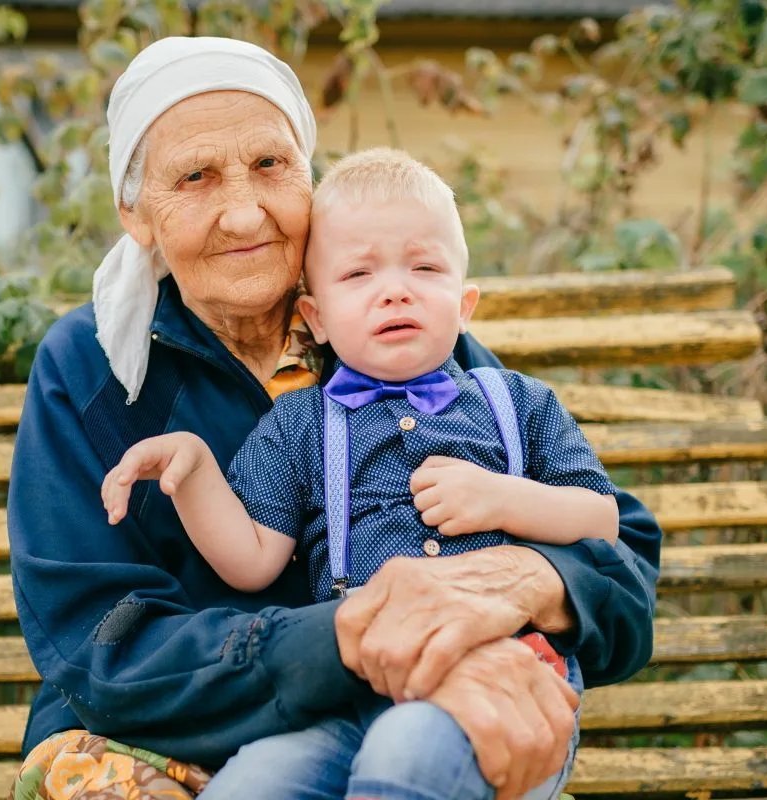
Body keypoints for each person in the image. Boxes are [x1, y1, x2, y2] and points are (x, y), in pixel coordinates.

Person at [8, 35, 661, 800]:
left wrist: (523, 580)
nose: (244, 211)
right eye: (195, 177)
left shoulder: (386, 332)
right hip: (163, 732)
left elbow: (623, 567)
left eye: (270, 166)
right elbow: (100, 645)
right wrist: (338, 642)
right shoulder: (88, 370)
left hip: (401, 707)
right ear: (135, 213)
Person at [99, 148, 617, 799]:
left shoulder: (519, 404)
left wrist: (502, 500)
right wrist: (196, 471)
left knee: (408, 757)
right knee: (255, 783)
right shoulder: (300, 426)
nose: (394, 289)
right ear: (316, 319)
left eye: (424, 267)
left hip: (509, 687)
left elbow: (600, 517)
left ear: (465, 304)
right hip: (352, 695)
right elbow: (252, 560)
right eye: (358, 274)